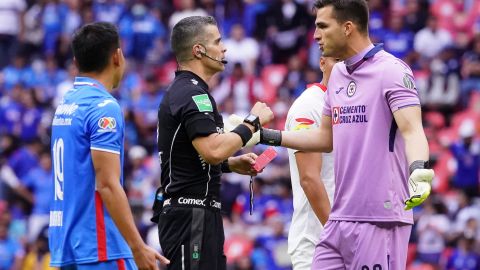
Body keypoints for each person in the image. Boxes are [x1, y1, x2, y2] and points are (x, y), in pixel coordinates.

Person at [258, 1, 435, 269]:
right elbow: (324, 139)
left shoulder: (392, 71)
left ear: (348, 27)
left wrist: (419, 170)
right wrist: (264, 135)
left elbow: (413, 132)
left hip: (380, 216)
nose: (315, 35)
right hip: (339, 219)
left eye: (322, 26)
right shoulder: (338, 75)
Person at [154, 16, 273, 270]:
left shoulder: (190, 91)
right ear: (199, 50)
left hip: (198, 215)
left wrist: (230, 164)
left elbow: (193, 155)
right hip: (191, 215)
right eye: (218, 41)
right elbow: (213, 150)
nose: (224, 48)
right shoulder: (191, 93)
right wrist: (252, 121)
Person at [49, 22, 169, 270]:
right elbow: (106, 184)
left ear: (75, 60)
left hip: (67, 244)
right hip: (100, 247)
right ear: (117, 56)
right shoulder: (103, 107)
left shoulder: (66, 105)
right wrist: (138, 246)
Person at [285, 57, 337, 269]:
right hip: (317, 241)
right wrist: (338, 234)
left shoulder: (354, 106)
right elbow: (309, 178)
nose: (346, 66)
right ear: (322, 62)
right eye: (338, 60)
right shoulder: (309, 105)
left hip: (351, 239)